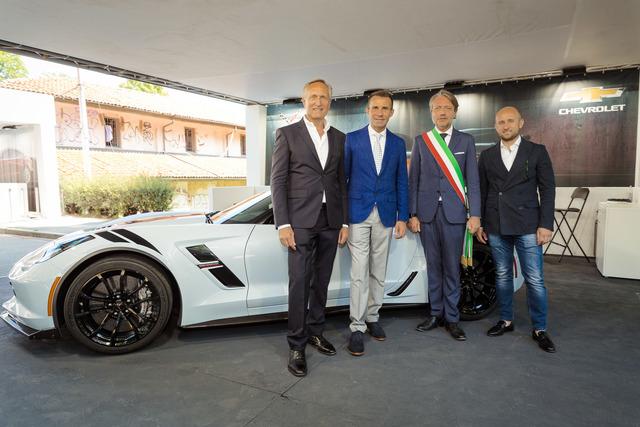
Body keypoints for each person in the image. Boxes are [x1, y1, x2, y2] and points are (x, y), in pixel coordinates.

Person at [270, 79, 349, 376]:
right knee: (300, 282)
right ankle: (296, 345)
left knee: (321, 281)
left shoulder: (339, 138)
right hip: (300, 221)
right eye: (313, 97)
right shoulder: (287, 134)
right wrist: (283, 223)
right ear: (303, 101)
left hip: (331, 219)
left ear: (330, 102)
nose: (318, 102)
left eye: (323, 97)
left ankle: (316, 331)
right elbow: (278, 180)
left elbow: (341, 182)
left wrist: (344, 221)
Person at [476, 106, 556, 353]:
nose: (506, 125)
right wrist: (480, 222)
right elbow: (482, 191)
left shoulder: (537, 151)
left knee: (535, 279)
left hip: (528, 224)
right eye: (501, 122)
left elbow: (547, 189)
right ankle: (506, 320)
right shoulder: (487, 155)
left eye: (510, 121)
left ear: (521, 123)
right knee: (502, 275)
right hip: (496, 223)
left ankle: (540, 328)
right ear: (495, 126)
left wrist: (545, 224)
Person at [408, 89, 481, 341]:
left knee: (452, 267)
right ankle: (435, 313)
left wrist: (476, 214)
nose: (442, 112)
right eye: (437, 108)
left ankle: (452, 318)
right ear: (431, 112)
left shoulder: (466, 141)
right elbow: (414, 180)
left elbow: (473, 180)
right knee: (433, 267)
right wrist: (412, 213)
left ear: (455, 112)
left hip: (455, 214)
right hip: (427, 214)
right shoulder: (421, 141)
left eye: (447, 108)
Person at [343, 90, 408, 356]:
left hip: (387, 213)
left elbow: (402, 181)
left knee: (378, 270)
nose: (380, 112)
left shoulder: (398, 143)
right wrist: (342, 221)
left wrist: (403, 216)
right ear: (367, 110)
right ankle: (357, 327)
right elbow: (343, 180)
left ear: (391, 112)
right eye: (375, 108)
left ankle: (372, 317)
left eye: (385, 108)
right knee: (359, 271)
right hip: (357, 213)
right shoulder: (352, 139)